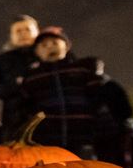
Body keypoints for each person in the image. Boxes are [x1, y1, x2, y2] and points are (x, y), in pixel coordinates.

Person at [19, 26, 102, 158]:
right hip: (47, 139)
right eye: (44, 45)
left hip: (83, 136)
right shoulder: (32, 78)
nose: (50, 47)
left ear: (66, 46)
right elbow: (26, 107)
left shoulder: (82, 69)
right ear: (37, 52)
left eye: (55, 43)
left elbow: (98, 98)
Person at [0, 15, 39, 141]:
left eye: (27, 29)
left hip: (45, 118)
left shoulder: (46, 55)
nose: (23, 34)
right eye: (18, 31)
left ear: (37, 31)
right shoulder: (2, 60)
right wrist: (14, 86)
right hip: (13, 119)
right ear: (11, 35)